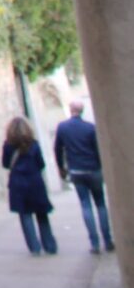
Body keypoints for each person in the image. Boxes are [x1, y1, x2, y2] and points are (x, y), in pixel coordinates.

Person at [55, 96, 115, 254]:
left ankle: (94, 243)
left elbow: (58, 149)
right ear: (82, 111)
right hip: (94, 169)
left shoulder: (63, 127)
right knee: (100, 204)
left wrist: (61, 167)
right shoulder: (90, 128)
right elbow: (98, 149)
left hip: (76, 170)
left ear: (70, 110)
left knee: (85, 205)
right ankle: (107, 240)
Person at [2, 116, 58, 255]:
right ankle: (49, 245)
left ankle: (34, 247)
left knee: (25, 215)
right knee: (42, 214)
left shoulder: (8, 145)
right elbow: (41, 164)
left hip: (18, 183)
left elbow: (5, 163)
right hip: (34, 181)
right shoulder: (34, 144)